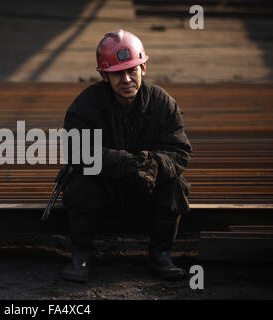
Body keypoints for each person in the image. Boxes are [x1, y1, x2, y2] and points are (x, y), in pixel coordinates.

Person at [61, 29, 192, 283]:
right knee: (79, 183)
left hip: (147, 190)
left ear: (144, 67)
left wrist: (153, 166)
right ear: (104, 75)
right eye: (117, 73)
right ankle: (82, 254)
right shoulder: (85, 104)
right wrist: (125, 164)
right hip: (104, 190)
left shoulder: (163, 103)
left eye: (132, 70)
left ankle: (161, 254)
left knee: (176, 185)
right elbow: (76, 151)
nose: (126, 79)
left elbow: (179, 150)